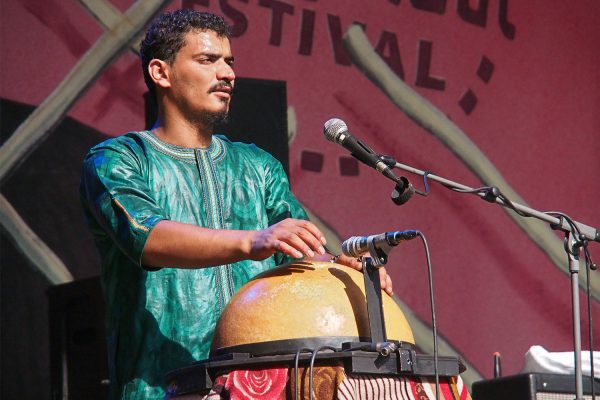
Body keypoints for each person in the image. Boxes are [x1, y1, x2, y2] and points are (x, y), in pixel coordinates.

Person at [80, 9, 392, 399]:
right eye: (208, 60)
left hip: (260, 387)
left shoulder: (258, 166)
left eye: (229, 62)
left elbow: (303, 256)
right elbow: (146, 237)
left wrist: (344, 271)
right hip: (163, 387)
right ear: (161, 73)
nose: (227, 73)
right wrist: (253, 241)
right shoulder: (116, 159)